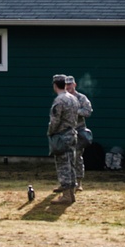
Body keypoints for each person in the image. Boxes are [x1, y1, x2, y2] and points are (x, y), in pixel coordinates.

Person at [48, 74, 79, 204]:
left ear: (55, 86)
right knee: (71, 164)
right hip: (72, 134)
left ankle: (66, 196)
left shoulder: (59, 101)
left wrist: (50, 132)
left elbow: (55, 121)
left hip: (62, 136)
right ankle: (71, 194)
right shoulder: (73, 98)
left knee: (63, 165)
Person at [65, 75, 93, 192]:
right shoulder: (63, 98)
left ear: (74, 85)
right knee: (65, 158)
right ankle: (65, 183)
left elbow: (88, 111)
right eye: (66, 85)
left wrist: (75, 111)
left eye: (70, 84)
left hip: (78, 132)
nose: (68, 87)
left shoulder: (81, 98)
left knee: (77, 158)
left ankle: (78, 182)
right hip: (65, 132)